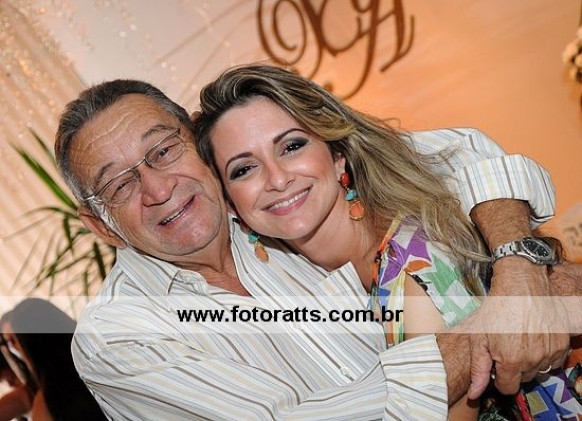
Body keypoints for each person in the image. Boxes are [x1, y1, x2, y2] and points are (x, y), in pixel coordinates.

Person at [54, 77, 568, 420]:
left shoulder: (272, 211)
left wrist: (520, 268)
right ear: (101, 226)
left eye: (164, 151)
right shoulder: (118, 334)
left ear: (200, 151)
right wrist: (496, 322)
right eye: (118, 185)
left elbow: (462, 156)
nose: (157, 188)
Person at [192, 63, 581, 419]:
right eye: (244, 169)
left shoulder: (413, 263)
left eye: (292, 146)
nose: (277, 179)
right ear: (231, 205)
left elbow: (468, 149)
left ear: (338, 155)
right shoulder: (324, 271)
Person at [6, 298, 107, 421]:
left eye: (14, 341)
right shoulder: (108, 358)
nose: (14, 348)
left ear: (28, 348)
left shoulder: (48, 403)